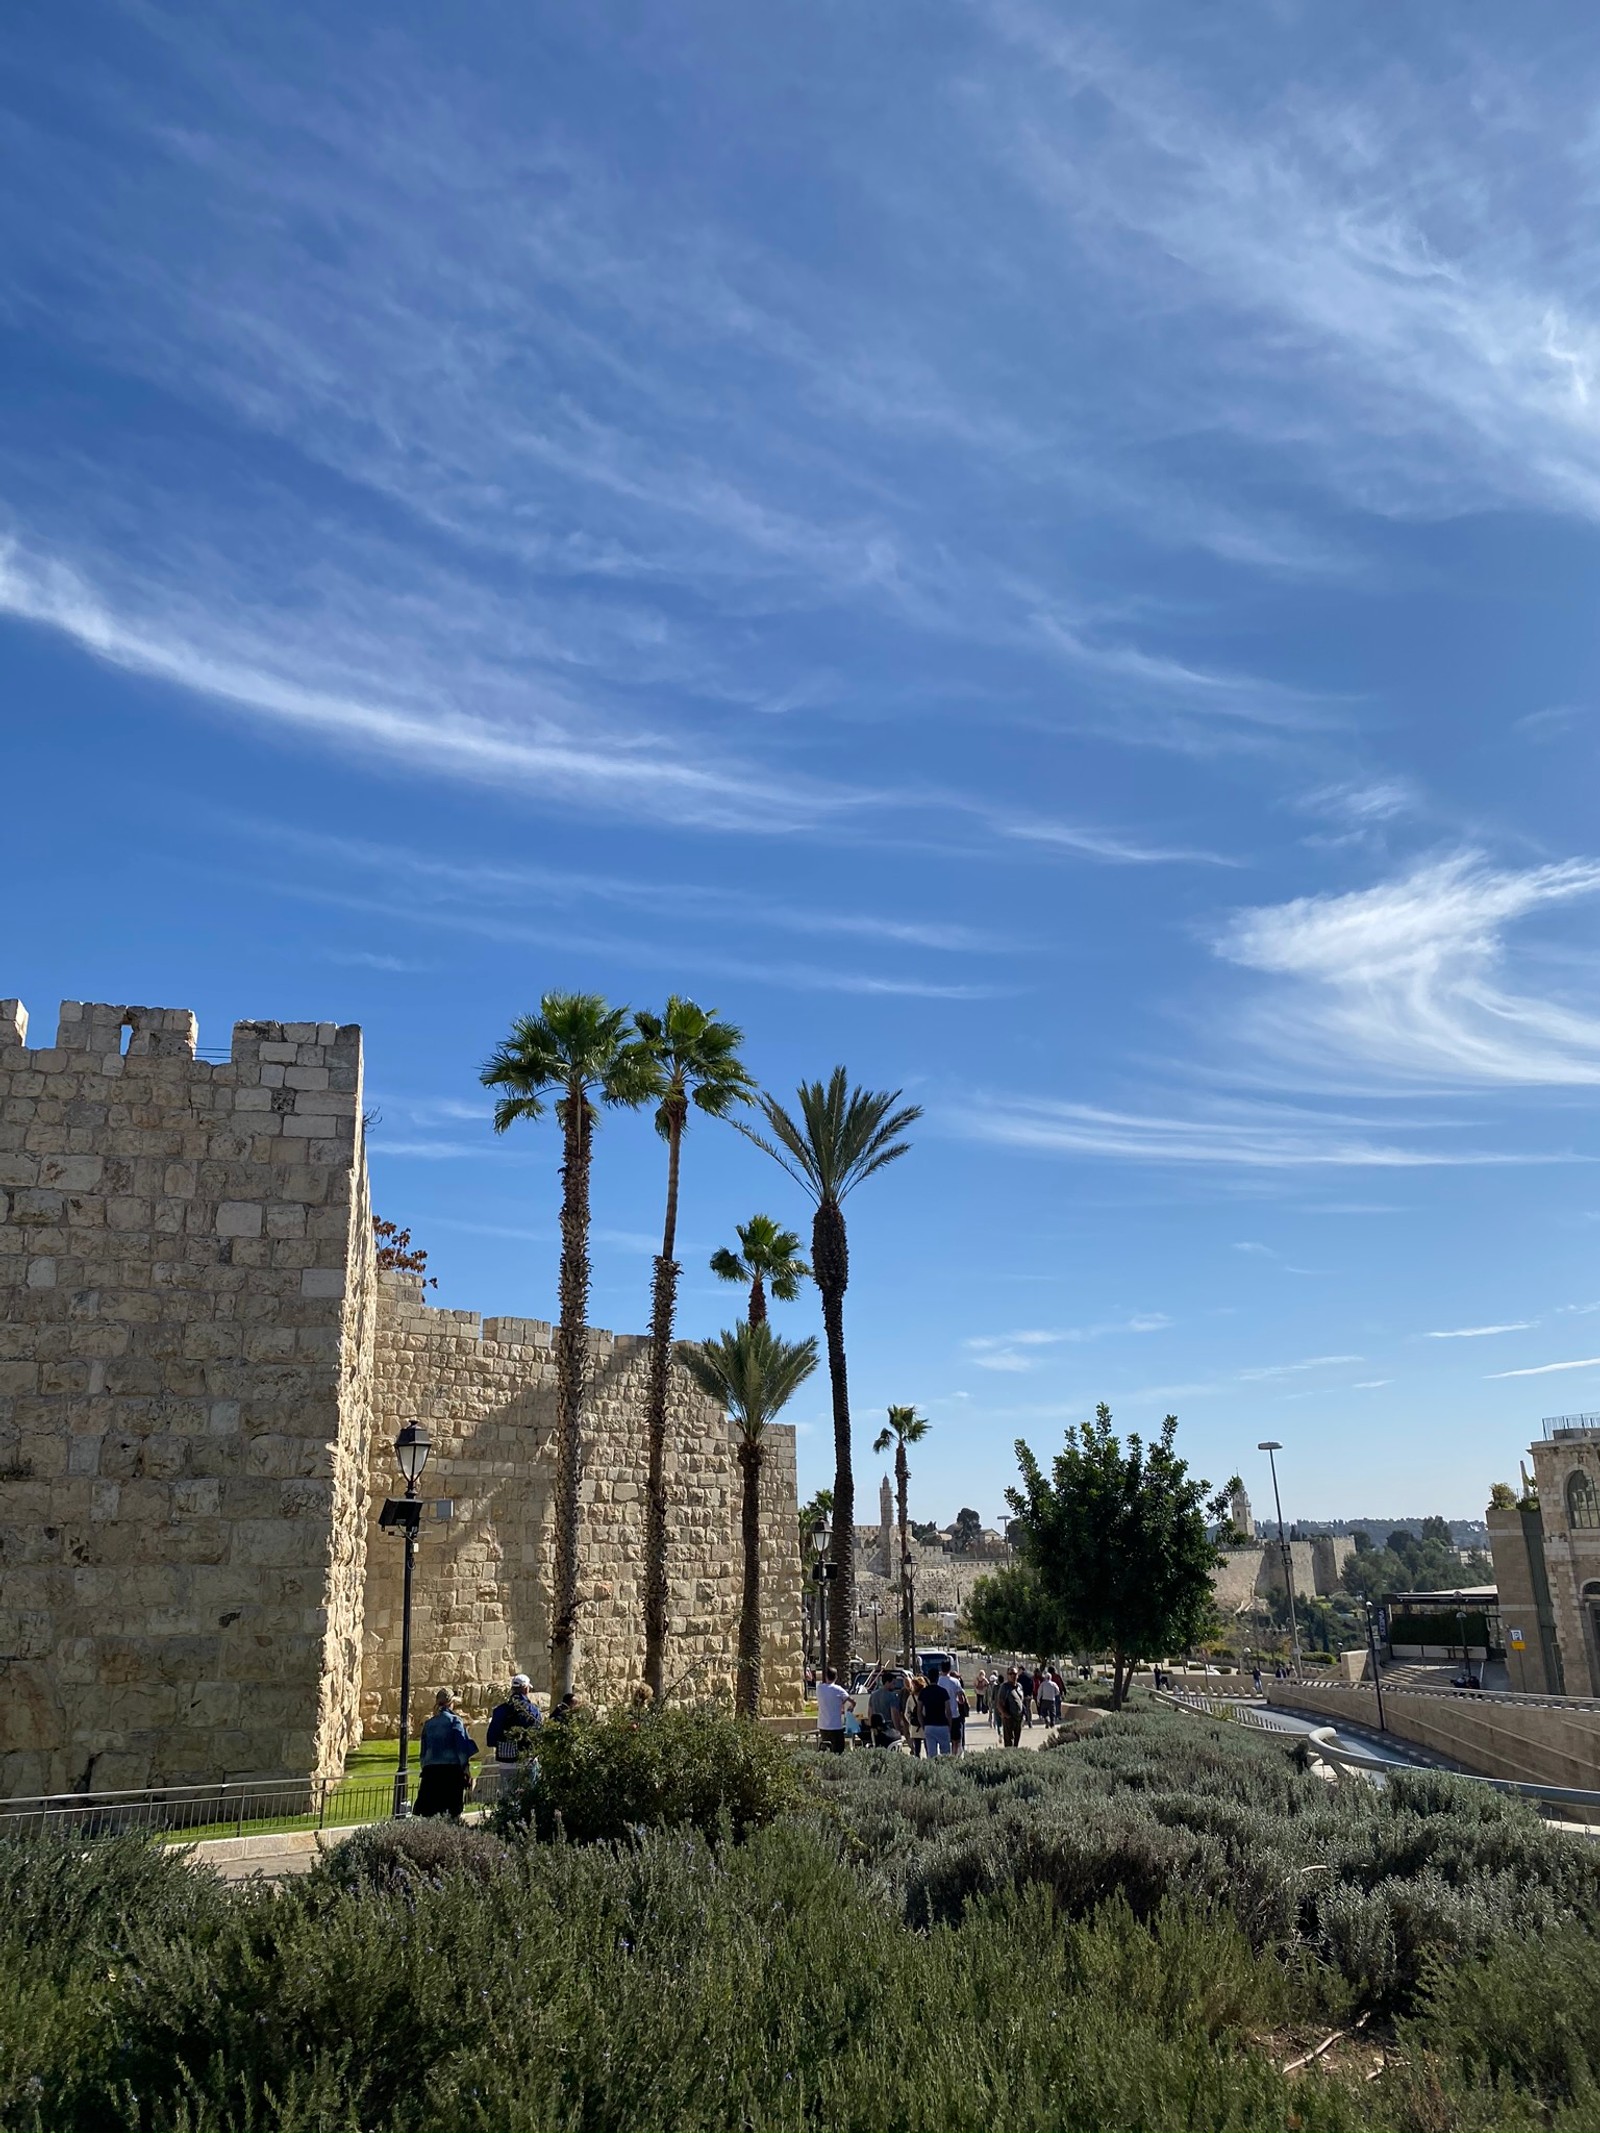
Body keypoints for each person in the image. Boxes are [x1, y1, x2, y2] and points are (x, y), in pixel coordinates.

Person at [414, 1688, 479, 1818]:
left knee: (430, 1813)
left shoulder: (429, 1724)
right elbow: (461, 1749)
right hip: (451, 1772)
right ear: (451, 1703)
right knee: (453, 1813)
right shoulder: (455, 1721)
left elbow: (423, 1752)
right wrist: (465, 1768)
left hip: (431, 1773)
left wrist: (426, 1767)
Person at [486, 1673, 542, 1769]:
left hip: (506, 1759)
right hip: (526, 1758)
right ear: (525, 1688)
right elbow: (537, 1732)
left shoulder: (500, 1710)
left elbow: (492, 1736)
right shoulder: (532, 1710)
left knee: (507, 1784)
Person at [918, 1665, 954, 1757]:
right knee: (946, 1754)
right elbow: (948, 1711)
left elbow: (919, 1711)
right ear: (937, 1677)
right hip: (942, 1724)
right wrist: (949, 1726)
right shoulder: (943, 1692)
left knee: (931, 1754)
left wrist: (923, 1725)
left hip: (929, 1725)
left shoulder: (923, 1692)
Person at [867, 1668, 906, 1749]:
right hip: (888, 1728)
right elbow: (894, 1714)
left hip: (876, 1729)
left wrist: (872, 1727)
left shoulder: (873, 1695)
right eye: (893, 1683)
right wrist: (898, 1730)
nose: (894, 1686)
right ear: (887, 1682)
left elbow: (870, 1713)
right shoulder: (892, 1696)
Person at [816, 1665, 849, 1753]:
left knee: (826, 1749)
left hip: (823, 1725)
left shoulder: (819, 1688)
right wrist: (843, 1705)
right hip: (836, 1726)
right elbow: (851, 1700)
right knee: (838, 1750)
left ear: (826, 1676)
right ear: (836, 1677)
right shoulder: (838, 1690)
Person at [996, 1667, 1025, 1749]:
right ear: (1007, 1675)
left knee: (1016, 1741)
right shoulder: (1004, 1687)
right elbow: (999, 1704)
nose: (1013, 1676)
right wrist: (1005, 1715)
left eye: (1015, 1674)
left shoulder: (1019, 1686)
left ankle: (1015, 1755)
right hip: (1009, 1718)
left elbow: (1021, 1701)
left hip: (1018, 1718)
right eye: (1010, 1674)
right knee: (1009, 1742)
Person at [905, 1673, 926, 1757]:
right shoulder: (925, 1696)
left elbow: (907, 1713)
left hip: (915, 1727)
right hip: (925, 1724)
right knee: (928, 1747)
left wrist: (911, 1721)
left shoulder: (911, 1697)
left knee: (917, 1749)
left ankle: (917, 1762)